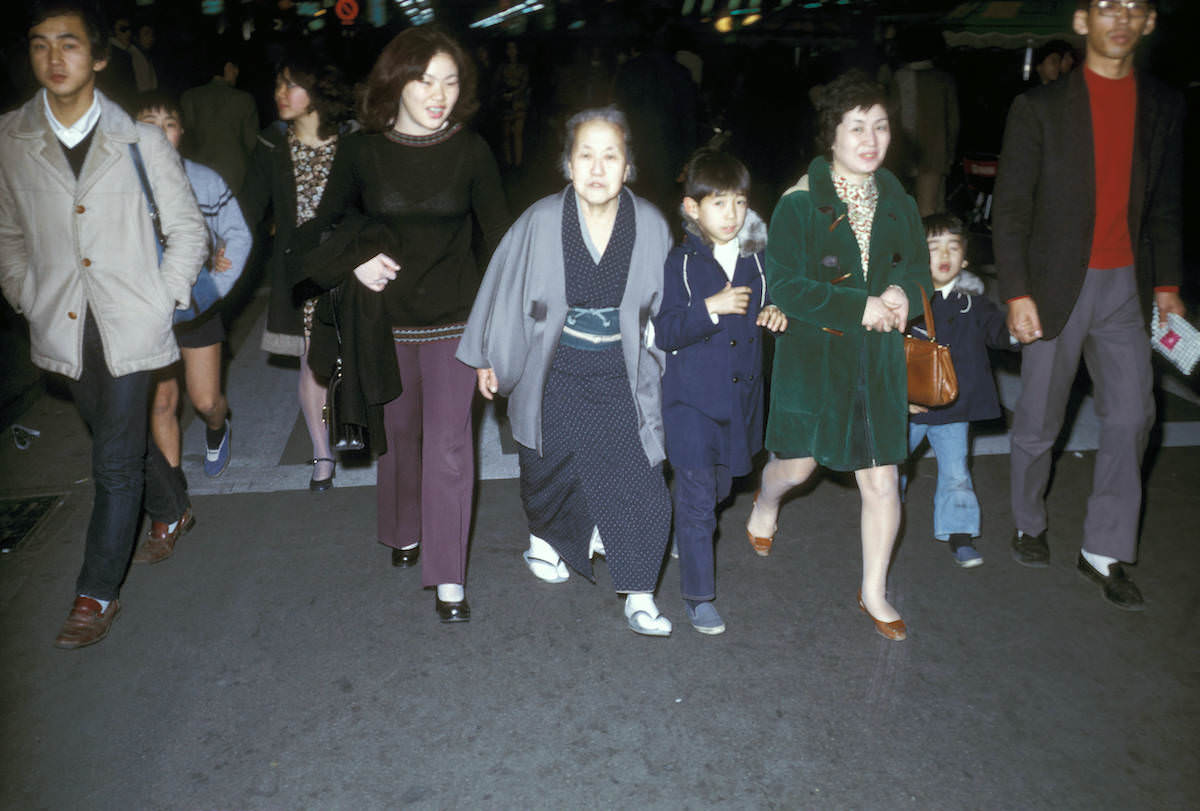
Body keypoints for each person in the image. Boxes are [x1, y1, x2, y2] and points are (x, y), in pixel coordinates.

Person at [0, 0, 207, 648]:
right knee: (119, 439)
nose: (53, 58)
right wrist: (26, 295)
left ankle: (94, 592)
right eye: (40, 44)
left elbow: (187, 231)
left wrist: (161, 298)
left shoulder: (139, 142)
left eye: (68, 43)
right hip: (63, 325)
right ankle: (173, 507)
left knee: (113, 458)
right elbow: (9, 237)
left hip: (131, 322)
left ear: (98, 56)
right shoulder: (11, 139)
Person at [312, 28, 510, 623]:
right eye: (425, 79)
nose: (439, 94)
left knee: (451, 446)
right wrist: (354, 260)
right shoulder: (361, 152)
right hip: (385, 327)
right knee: (400, 440)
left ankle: (449, 577)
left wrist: (499, 332)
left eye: (450, 81)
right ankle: (402, 527)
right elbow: (320, 231)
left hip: (456, 322)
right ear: (396, 81)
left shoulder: (471, 150)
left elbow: (501, 241)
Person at [993, 0, 1184, 610]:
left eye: (1135, 7)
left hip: (1128, 286)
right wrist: (1017, 291)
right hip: (1055, 287)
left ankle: (1102, 549)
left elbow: (1165, 206)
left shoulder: (1164, 106)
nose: (1121, 17)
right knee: (1039, 420)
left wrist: (1167, 285)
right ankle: (1028, 520)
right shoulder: (1038, 108)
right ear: (1083, 21)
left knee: (1133, 418)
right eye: (1107, 5)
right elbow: (1013, 208)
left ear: (1150, 23)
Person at [457, 107, 676, 636]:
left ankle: (640, 591)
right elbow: (503, 290)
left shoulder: (649, 224)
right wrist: (487, 355)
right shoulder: (538, 220)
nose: (598, 168)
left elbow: (671, 309)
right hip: (553, 367)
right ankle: (548, 539)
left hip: (624, 372)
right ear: (568, 164)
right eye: (586, 155)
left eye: (611, 156)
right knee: (547, 464)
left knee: (640, 476)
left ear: (629, 167)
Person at [744, 71, 931, 642]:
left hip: (875, 362)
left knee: (883, 480)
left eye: (880, 126)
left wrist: (901, 291)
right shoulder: (799, 204)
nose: (871, 139)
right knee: (798, 468)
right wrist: (861, 305)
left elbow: (916, 266)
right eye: (858, 128)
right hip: (816, 360)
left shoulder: (895, 194)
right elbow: (787, 287)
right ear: (833, 135)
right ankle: (765, 500)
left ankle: (873, 588)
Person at [653, 148, 787, 635]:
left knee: (720, 488)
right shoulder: (681, 263)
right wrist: (709, 307)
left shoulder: (760, 260)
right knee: (696, 499)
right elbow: (665, 330)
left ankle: (683, 528)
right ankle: (698, 595)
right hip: (690, 402)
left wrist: (775, 315)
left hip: (741, 402)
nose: (731, 214)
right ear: (692, 209)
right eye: (717, 203)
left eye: (739, 202)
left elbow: (774, 305)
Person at [239, 52, 354, 493]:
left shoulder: (352, 142)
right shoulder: (271, 144)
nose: (280, 94)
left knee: (359, 357)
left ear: (319, 92)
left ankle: (363, 429)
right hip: (300, 273)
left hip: (351, 266)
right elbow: (249, 208)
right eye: (277, 85)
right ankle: (322, 452)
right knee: (313, 362)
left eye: (292, 84)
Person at [134, 91, 251, 486]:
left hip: (196, 305)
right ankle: (173, 501)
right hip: (149, 311)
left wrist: (216, 285)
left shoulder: (204, 179)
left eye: (168, 124)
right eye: (149, 124)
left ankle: (219, 430)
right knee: (163, 402)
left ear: (181, 131)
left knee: (205, 401)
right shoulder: (119, 185)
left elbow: (237, 235)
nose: (160, 133)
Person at [904, 213, 1016, 568]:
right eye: (933, 247)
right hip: (910, 404)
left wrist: (1017, 331)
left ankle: (960, 532)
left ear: (965, 259)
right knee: (890, 463)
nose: (944, 254)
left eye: (953, 247)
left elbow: (998, 332)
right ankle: (889, 502)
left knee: (956, 471)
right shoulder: (905, 302)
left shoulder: (975, 303)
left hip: (954, 406)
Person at [180, 41, 259, 194]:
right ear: (228, 67)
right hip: (235, 174)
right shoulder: (244, 99)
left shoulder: (189, 96)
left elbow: (186, 137)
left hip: (198, 169)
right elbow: (252, 143)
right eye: (236, 69)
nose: (237, 74)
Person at [494, 40, 529, 168]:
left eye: (513, 48)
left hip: (518, 104)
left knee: (517, 134)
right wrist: (503, 94)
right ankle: (509, 162)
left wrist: (513, 94)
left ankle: (518, 162)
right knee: (506, 134)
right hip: (505, 104)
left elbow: (524, 85)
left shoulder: (523, 67)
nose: (511, 51)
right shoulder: (502, 68)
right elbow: (496, 84)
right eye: (509, 48)